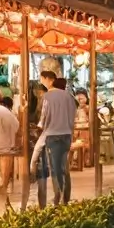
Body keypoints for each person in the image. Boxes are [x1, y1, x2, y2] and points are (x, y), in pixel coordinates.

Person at [37, 73, 76, 204]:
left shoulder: (47, 96)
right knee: (64, 166)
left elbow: (44, 117)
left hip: (52, 134)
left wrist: (40, 127)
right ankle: (66, 198)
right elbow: (73, 116)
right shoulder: (69, 96)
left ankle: (57, 197)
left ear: (49, 80)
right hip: (67, 134)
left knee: (54, 167)